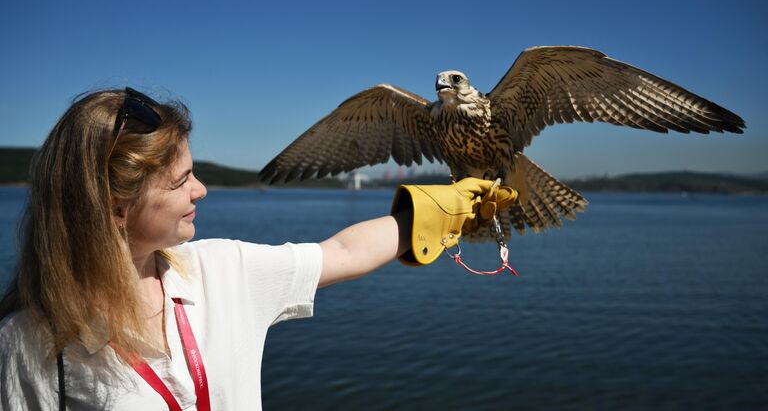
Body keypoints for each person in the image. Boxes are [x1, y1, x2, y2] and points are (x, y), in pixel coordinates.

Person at [0, 87, 516, 410]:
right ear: (114, 207)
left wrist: (438, 207)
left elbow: (342, 253)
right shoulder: (28, 345)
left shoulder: (222, 270)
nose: (201, 190)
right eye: (182, 181)